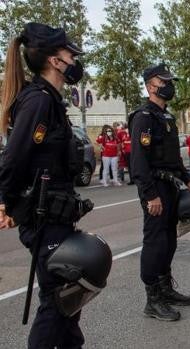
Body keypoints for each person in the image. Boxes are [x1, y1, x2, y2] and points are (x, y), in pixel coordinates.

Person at [0, 22, 88, 348]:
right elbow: (13, 159)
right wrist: (7, 203)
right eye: (69, 54)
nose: (74, 59)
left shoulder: (51, 100)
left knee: (69, 299)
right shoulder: (38, 101)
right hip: (45, 220)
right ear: (54, 61)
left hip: (57, 215)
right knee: (55, 301)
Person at [130, 63, 190, 321]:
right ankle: (152, 299)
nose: (169, 85)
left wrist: (188, 179)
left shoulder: (167, 117)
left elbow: (173, 158)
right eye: (164, 81)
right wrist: (150, 195)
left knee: (169, 241)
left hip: (171, 185)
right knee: (155, 243)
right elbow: (138, 161)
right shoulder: (143, 117)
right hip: (155, 187)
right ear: (151, 85)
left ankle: (165, 288)